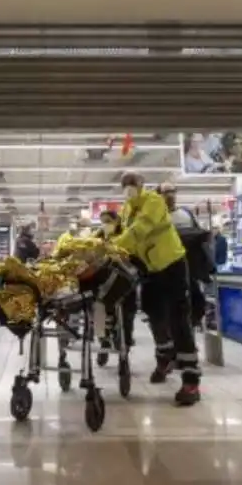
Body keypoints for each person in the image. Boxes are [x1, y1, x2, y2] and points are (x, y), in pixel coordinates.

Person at [111, 173, 201, 406]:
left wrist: (111, 247)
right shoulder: (126, 210)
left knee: (178, 319)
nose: (129, 189)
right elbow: (122, 234)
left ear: (142, 184)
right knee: (152, 313)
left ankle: (191, 380)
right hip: (150, 270)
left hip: (172, 265)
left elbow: (139, 231)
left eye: (132, 184)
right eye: (125, 186)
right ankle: (165, 356)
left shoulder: (154, 201)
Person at [158, 183, 213, 328]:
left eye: (172, 191)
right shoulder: (157, 216)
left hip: (190, 262)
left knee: (195, 295)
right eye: (166, 192)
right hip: (168, 263)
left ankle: (193, 321)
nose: (170, 195)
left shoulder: (186, 213)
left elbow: (198, 234)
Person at [94, 209, 136, 348]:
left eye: (108, 221)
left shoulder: (126, 234)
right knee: (98, 307)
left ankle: (125, 344)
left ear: (116, 221)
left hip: (125, 279)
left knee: (127, 313)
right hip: (105, 282)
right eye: (102, 222)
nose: (105, 225)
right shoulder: (98, 236)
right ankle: (102, 340)